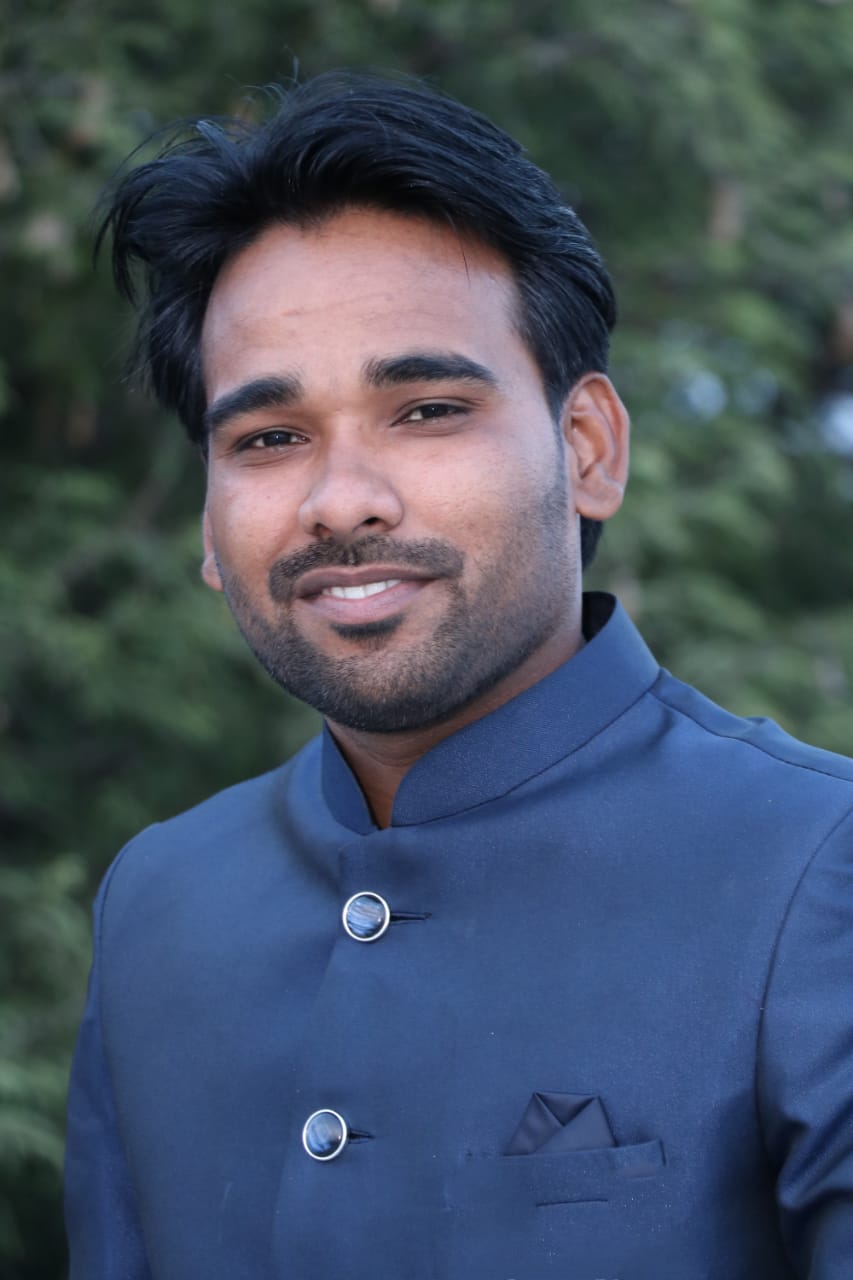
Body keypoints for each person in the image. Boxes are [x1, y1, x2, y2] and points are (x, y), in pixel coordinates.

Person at [64, 72, 853, 1279]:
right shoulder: (161, 903)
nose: (342, 501)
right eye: (269, 438)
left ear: (586, 450)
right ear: (209, 528)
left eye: (426, 409)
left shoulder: (814, 863)